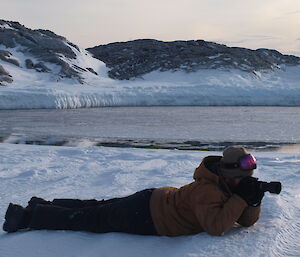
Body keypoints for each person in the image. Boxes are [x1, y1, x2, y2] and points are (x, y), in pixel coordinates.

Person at [3, 146, 264, 236]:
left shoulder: (225, 187)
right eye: (242, 178)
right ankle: (27, 217)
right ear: (229, 175)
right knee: (90, 218)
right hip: (148, 214)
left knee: (96, 206)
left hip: (154, 200)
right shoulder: (208, 191)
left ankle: (42, 205)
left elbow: (242, 220)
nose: (246, 181)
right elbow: (217, 227)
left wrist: (252, 201)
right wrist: (242, 198)